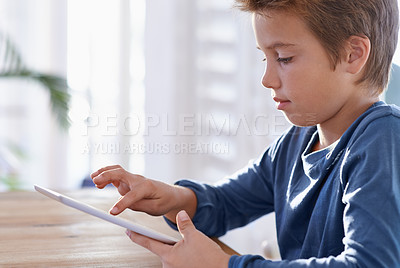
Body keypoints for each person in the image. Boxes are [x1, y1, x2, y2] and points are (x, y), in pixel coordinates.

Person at [91, 0, 400, 267]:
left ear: (353, 54)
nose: (266, 79)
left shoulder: (382, 140)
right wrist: (172, 199)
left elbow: (370, 263)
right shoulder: (294, 145)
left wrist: (227, 265)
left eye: (284, 58)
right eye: (264, 57)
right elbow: (227, 203)